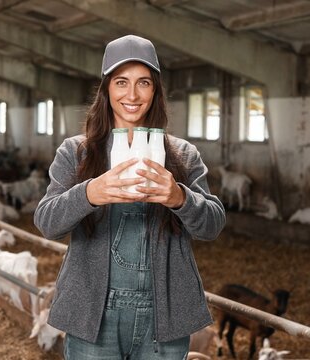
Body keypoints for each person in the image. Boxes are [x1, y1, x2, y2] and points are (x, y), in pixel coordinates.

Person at [34, 34, 225, 360]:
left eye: (144, 83)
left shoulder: (182, 154)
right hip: (94, 312)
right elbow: (47, 222)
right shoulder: (76, 152)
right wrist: (89, 193)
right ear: (107, 89)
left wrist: (179, 197)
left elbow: (212, 225)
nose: (132, 95)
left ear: (156, 91)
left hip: (163, 313)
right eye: (121, 82)